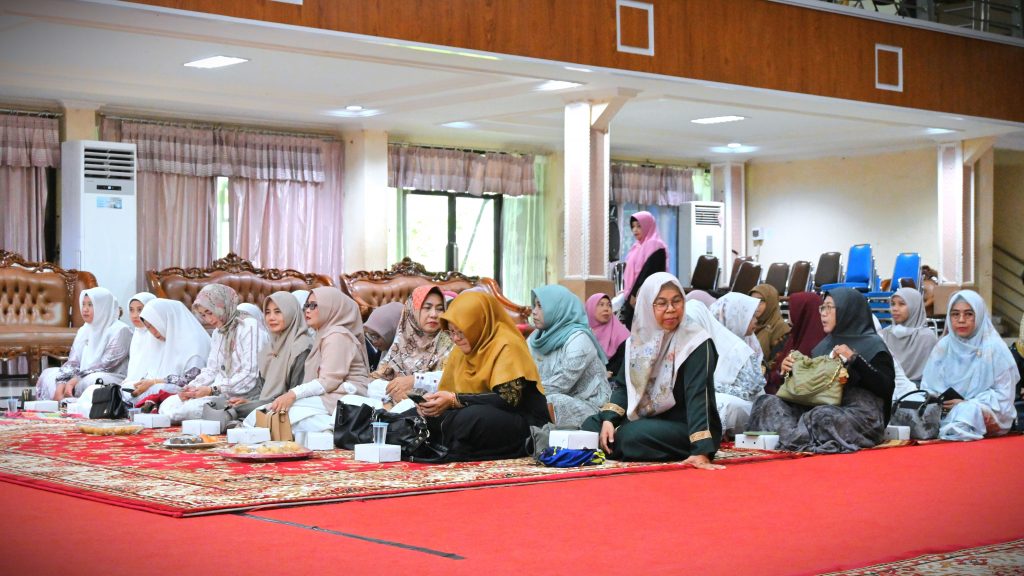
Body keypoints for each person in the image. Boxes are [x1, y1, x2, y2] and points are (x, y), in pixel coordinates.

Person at [581, 273, 724, 468]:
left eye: (677, 301)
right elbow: (623, 386)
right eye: (661, 303)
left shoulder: (696, 343)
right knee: (591, 426)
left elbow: (699, 395)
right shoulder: (637, 342)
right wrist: (609, 420)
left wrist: (701, 450)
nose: (671, 310)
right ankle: (610, 442)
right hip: (647, 418)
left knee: (629, 436)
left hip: (688, 426)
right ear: (647, 306)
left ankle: (611, 445)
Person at [747, 288, 896, 454]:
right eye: (822, 308)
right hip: (818, 409)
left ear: (848, 310)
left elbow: (886, 387)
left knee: (822, 416)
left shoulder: (873, 346)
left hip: (860, 417)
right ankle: (794, 438)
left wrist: (855, 360)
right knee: (766, 403)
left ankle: (790, 438)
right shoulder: (824, 346)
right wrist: (788, 373)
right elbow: (811, 391)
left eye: (829, 308)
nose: (823, 314)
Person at [415, 291, 548, 462]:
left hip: (522, 421)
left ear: (478, 324)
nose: (455, 338)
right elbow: (449, 392)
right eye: (451, 332)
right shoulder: (461, 349)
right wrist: (432, 404)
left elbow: (509, 399)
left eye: (461, 332)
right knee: (419, 416)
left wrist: (455, 400)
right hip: (474, 410)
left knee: (471, 419)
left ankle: (446, 444)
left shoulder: (507, 345)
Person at [244, 287, 370, 433]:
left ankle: (333, 430)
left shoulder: (337, 336)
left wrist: (292, 394)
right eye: (306, 306)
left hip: (345, 398)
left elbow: (329, 381)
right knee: (264, 414)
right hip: (328, 396)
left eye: (313, 305)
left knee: (280, 416)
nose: (307, 311)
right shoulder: (324, 334)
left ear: (330, 307)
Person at [158, 284, 267, 423]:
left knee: (185, 411)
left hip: (243, 396)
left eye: (210, 312)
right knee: (168, 404)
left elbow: (248, 376)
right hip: (217, 393)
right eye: (203, 315)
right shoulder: (218, 332)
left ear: (223, 306)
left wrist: (212, 390)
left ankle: (228, 414)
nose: (208, 320)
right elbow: (212, 370)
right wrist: (192, 388)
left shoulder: (249, 326)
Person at [920, 290, 1019, 441]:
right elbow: (928, 385)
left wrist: (966, 403)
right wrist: (939, 401)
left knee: (968, 411)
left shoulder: (995, 348)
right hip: (945, 410)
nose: (961, 320)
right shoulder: (944, 346)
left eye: (968, 314)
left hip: (981, 411)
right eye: (955, 314)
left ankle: (957, 426)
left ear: (979, 316)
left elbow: (1004, 396)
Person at [213, 292, 313, 423]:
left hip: (290, 408)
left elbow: (295, 394)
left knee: (232, 414)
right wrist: (250, 402)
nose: (271, 318)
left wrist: (255, 405)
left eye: (278, 312)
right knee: (222, 406)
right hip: (269, 405)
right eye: (267, 312)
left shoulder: (301, 347)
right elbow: (265, 389)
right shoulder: (271, 346)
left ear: (291, 313)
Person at [529, 285, 611, 427]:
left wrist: (525, 394)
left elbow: (561, 383)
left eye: (540, 306)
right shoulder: (535, 338)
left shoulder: (578, 339)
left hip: (591, 407)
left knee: (553, 401)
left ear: (557, 309)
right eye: (534, 306)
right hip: (542, 397)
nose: (534, 312)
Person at [36, 287, 132, 401]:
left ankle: (74, 402)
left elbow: (105, 365)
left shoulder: (121, 330)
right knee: (49, 374)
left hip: (109, 375)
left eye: (90, 305)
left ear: (103, 306)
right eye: (83, 304)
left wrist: (75, 380)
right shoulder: (84, 330)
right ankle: (61, 401)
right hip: (82, 375)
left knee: (92, 381)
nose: (85, 309)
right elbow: (73, 362)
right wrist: (61, 383)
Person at [692, 297, 765, 436]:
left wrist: (712, 386)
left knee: (719, 403)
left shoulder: (739, 349)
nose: (756, 321)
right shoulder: (691, 343)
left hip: (748, 403)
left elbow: (751, 391)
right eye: (752, 317)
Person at [371, 285, 453, 402]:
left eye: (440, 309)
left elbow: (452, 379)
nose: (434, 314)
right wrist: (393, 393)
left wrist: (414, 381)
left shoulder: (452, 342)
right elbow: (374, 381)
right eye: (427, 307)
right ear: (412, 310)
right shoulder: (401, 342)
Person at [125, 298, 211, 407]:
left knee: (154, 390)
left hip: (190, 389)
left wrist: (155, 382)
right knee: (127, 388)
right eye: (148, 327)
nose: (153, 332)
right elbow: (152, 371)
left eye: (153, 325)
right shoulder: (164, 338)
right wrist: (146, 382)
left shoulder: (194, 341)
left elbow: (192, 379)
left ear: (165, 320)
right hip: (163, 386)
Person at [764, 292, 826, 395]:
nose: (788, 313)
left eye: (791, 308)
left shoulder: (816, 347)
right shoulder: (795, 336)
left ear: (803, 312)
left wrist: (780, 373)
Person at [619, 211, 668, 329]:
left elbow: (648, 273)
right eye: (633, 226)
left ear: (647, 225)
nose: (635, 230)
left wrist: (635, 293)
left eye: (639, 226)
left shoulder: (655, 245)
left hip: (644, 296)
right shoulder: (636, 247)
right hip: (634, 295)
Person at [880, 288, 938, 384]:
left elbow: (932, 375)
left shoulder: (926, 337)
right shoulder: (886, 333)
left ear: (914, 307)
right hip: (890, 387)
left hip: (919, 389)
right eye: (893, 304)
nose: (894, 308)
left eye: (901, 304)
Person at [585, 292, 630, 377]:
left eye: (609, 305)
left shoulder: (623, 335)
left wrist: (610, 373)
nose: (606, 309)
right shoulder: (583, 334)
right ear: (590, 308)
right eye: (601, 305)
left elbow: (623, 364)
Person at [749, 284, 791, 371]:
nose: (755, 304)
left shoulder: (781, 329)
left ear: (771, 302)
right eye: (752, 300)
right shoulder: (747, 324)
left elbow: (776, 364)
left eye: (761, 300)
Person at [363, 302, 403, 371]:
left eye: (377, 336)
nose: (374, 342)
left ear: (393, 330)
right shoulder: (383, 350)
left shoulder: (404, 359)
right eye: (371, 336)